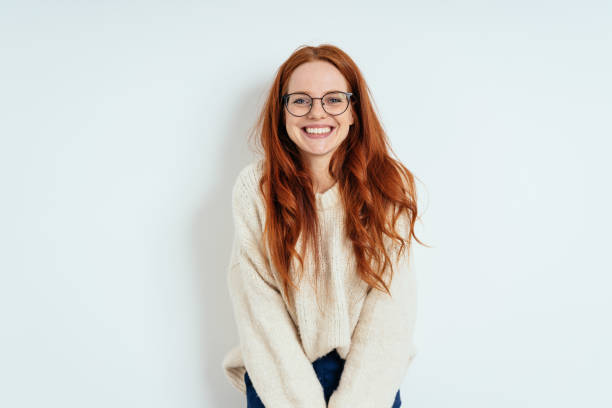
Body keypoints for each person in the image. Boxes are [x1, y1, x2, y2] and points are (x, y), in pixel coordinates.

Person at [221, 43, 427, 408]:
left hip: (369, 384)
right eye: (300, 100)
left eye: (334, 99)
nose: (317, 113)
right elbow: (260, 313)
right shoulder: (256, 190)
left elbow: (390, 316)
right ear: (281, 111)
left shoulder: (390, 186)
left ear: (354, 111)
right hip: (279, 383)